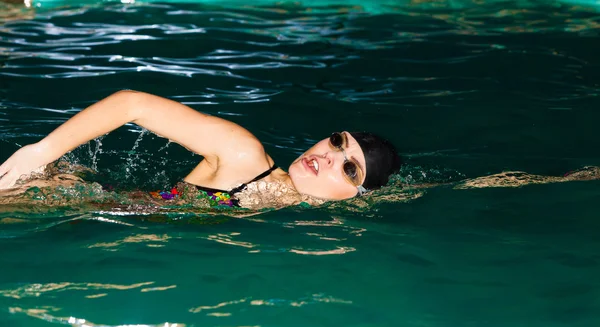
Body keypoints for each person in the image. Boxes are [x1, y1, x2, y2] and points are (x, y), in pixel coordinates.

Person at [0, 90, 402, 209]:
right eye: (337, 142)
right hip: (54, 199)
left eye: (349, 169)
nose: (329, 157)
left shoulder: (312, 217)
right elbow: (131, 104)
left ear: (357, 198)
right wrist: (39, 153)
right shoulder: (245, 156)